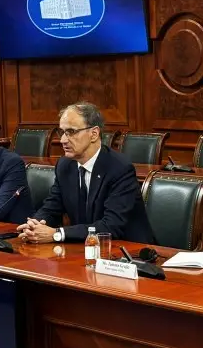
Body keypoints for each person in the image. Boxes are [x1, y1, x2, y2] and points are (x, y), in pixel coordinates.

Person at [17, 102, 156, 245]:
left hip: (127, 250)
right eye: (62, 132)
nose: (63, 140)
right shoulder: (65, 165)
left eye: (71, 132)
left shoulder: (119, 168)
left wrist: (58, 234)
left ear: (94, 134)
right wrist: (34, 226)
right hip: (85, 247)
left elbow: (111, 226)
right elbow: (51, 207)